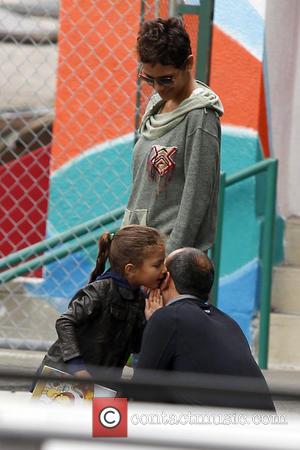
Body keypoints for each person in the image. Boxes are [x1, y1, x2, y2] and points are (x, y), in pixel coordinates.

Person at [123, 17, 224, 254]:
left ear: (188, 63)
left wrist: (169, 261)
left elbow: (196, 198)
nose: (158, 87)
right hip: (139, 252)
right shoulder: (157, 103)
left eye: (166, 79)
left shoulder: (201, 116)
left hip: (169, 261)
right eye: (149, 79)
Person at [134, 248, 275, 410]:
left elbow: (140, 392)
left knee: (110, 419)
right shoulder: (228, 322)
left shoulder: (168, 318)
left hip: (218, 432)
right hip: (263, 430)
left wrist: (154, 324)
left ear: (166, 279)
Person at [35, 225, 166, 381]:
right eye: (157, 265)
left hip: (103, 383)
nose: (164, 270)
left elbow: (135, 347)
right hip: (64, 378)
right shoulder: (100, 290)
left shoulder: (138, 298)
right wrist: (77, 367)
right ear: (130, 269)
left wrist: (150, 321)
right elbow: (64, 322)